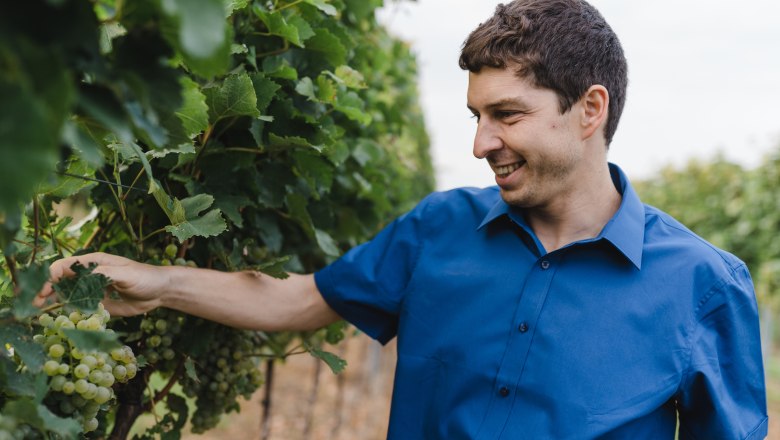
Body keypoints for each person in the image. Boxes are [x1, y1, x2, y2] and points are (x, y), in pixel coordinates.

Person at [38, 0, 768, 438]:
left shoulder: (704, 287)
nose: (481, 143)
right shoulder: (438, 229)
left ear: (590, 110)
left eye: (506, 115)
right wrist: (158, 283)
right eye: (477, 116)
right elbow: (299, 299)